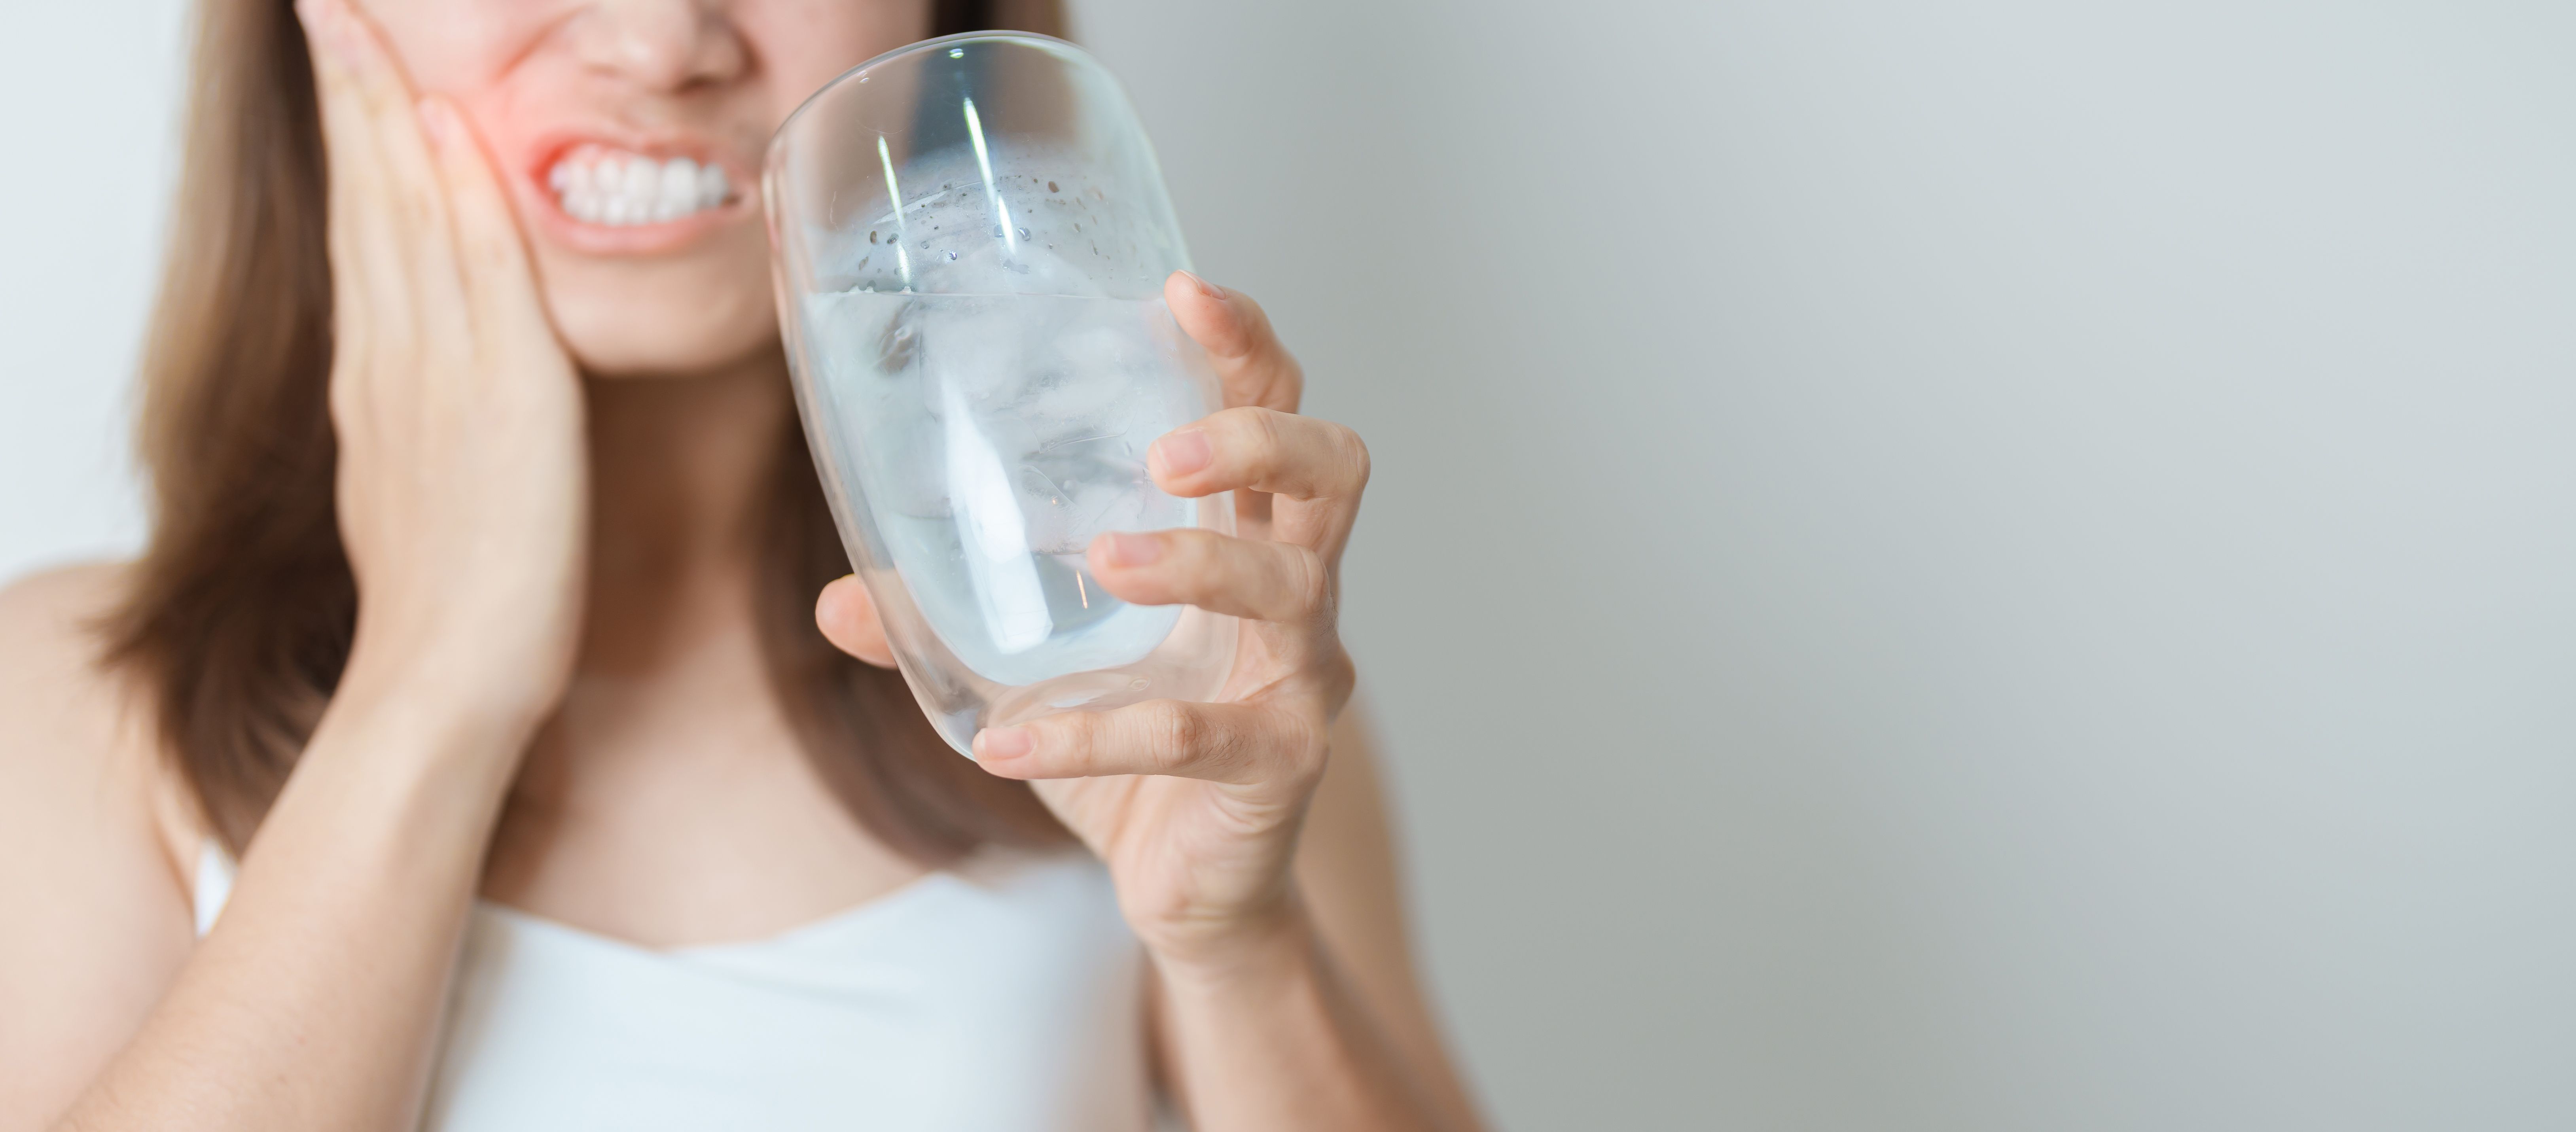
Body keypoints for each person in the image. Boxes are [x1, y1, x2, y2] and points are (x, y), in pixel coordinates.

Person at [0, 0, 1484, 1128]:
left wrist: (1238, 945)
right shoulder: (73, 711)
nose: (662, 43)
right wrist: (431, 688)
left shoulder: (1172, 673)